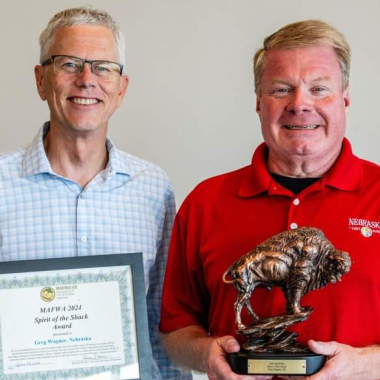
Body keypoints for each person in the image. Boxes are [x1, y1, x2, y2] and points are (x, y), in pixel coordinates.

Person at [159, 19, 380, 380]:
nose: (300, 104)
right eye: (281, 89)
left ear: (345, 98)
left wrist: (367, 365)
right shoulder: (205, 202)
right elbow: (174, 330)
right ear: (259, 103)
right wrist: (206, 355)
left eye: (319, 88)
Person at [0, 7, 190, 380]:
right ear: (41, 81)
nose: (87, 80)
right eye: (69, 64)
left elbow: (161, 321)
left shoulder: (152, 188)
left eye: (103, 67)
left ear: (121, 89)